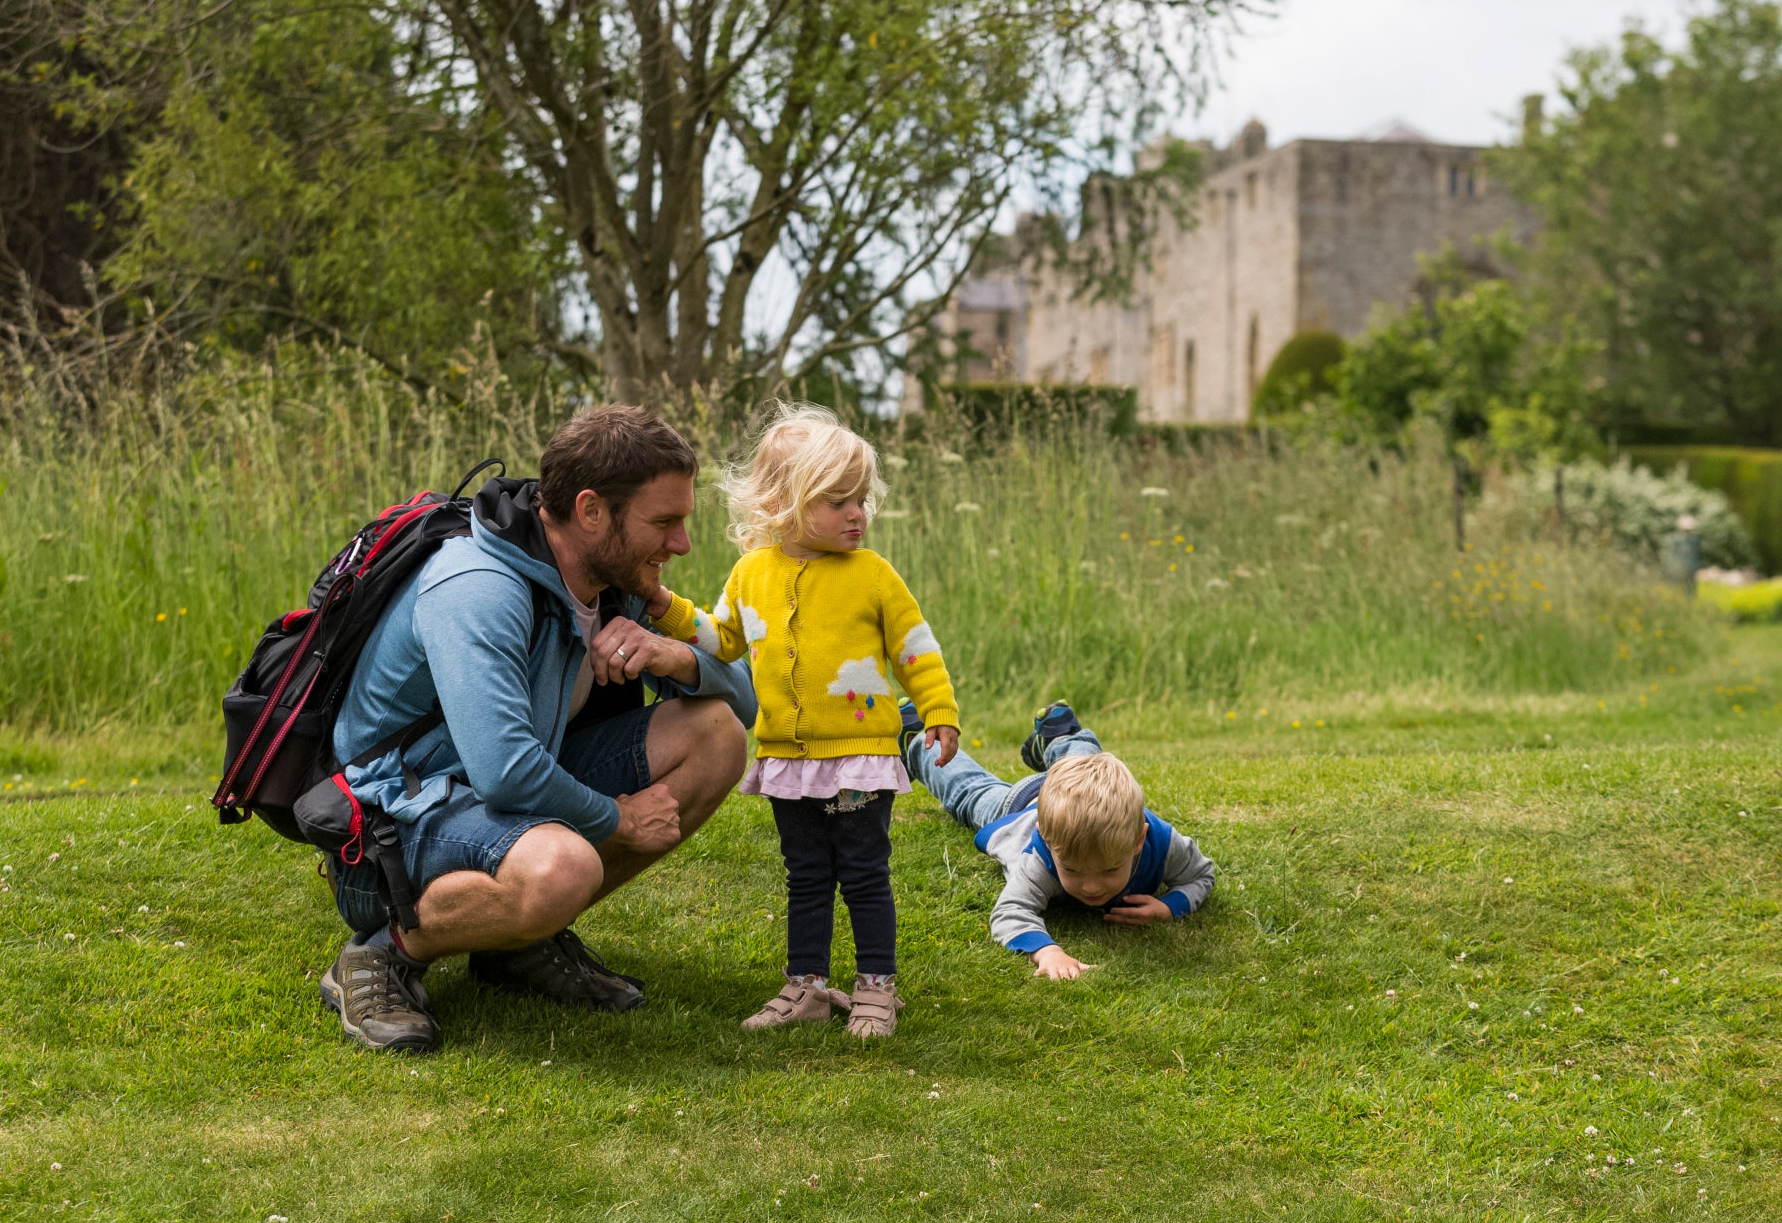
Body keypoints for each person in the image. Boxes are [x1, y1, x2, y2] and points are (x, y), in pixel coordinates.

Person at [320, 404, 756, 1053]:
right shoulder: (478, 588)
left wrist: (676, 653)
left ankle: (511, 942)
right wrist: (617, 817)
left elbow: (743, 703)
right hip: (396, 819)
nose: (682, 543)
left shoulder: (611, 578)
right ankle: (382, 951)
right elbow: (505, 769)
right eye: (664, 522)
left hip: (496, 802)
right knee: (562, 867)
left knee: (716, 736)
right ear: (590, 511)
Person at [684, 406, 960, 1040]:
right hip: (786, 755)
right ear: (784, 502)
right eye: (838, 501)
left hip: (860, 752)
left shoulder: (873, 576)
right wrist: (665, 610)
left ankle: (875, 988)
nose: (857, 513)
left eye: (860, 499)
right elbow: (720, 637)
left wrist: (938, 709)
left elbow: (915, 648)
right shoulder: (751, 570)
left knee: (863, 870)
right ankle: (806, 985)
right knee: (805, 872)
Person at [900, 699, 1215, 978]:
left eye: (1108, 870)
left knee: (1087, 766)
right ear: (1047, 842)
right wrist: (1047, 951)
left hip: (1072, 795)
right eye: (1073, 870)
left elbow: (1201, 874)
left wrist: (1169, 907)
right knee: (969, 791)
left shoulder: (1160, 843)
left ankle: (1059, 733)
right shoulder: (1041, 858)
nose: (1090, 887)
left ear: (1137, 842)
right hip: (1020, 806)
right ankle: (918, 741)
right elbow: (1010, 912)